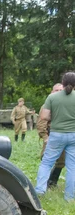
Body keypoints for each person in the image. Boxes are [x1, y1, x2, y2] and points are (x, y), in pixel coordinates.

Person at [35, 72, 75, 201]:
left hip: (56, 134)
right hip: (73, 135)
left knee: (46, 163)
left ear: (62, 83)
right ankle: (69, 197)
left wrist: (57, 116)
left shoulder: (52, 98)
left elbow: (44, 117)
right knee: (72, 167)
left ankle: (40, 191)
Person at [38, 83, 65, 188]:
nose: (59, 92)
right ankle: (42, 184)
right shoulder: (46, 105)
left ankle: (52, 182)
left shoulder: (65, 104)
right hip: (50, 136)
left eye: (61, 90)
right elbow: (41, 124)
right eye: (56, 90)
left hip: (63, 136)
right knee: (46, 159)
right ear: (52, 92)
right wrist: (45, 137)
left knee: (61, 161)